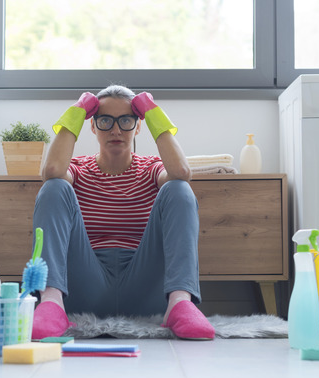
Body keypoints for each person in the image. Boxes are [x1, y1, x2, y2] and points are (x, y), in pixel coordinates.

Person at [31, 85, 215, 340]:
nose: (116, 130)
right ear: (93, 126)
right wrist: (77, 111)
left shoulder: (151, 168)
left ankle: (180, 303)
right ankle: (50, 303)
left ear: (138, 126)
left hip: (144, 285)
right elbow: (51, 171)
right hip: (86, 286)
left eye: (126, 120)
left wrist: (152, 112)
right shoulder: (77, 168)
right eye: (105, 120)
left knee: (179, 189)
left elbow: (182, 173)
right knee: (54, 187)